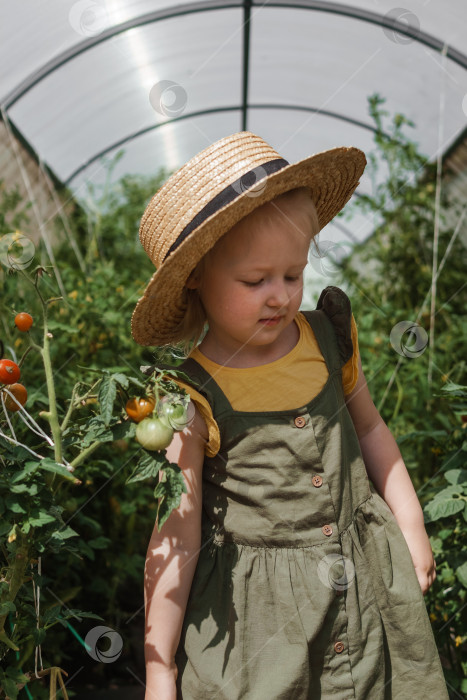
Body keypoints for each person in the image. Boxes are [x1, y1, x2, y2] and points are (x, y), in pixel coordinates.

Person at [131, 132, 448, 700]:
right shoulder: (191, 395)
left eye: (293, 274)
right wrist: (160, 669)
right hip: (258, 621)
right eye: (255, 281)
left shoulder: (327, 337)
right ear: (196, 277)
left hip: (367, 586)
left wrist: (411, 524)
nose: (280, 295)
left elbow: (372, 429)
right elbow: (175, 534)